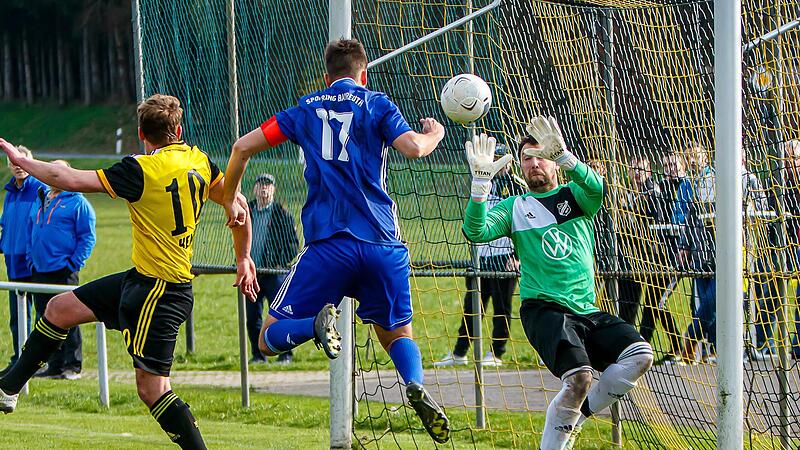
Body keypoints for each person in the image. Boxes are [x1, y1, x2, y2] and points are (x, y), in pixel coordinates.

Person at [221, 39, 450, 443]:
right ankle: (414, 383)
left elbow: (241, 147)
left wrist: (230, 200)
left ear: (327, 77)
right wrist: (435, 132)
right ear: (364, 74)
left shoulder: (305, 108)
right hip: (382, 244)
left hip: (328, 246)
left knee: (268, 337)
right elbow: (414, 148)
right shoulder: (377, 103)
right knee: (396, 334)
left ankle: (313, 325)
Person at [0, 94, 258, 450]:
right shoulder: (199, 162)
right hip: (141, 279)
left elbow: (67, 178)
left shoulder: (140, 170)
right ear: (179, 130)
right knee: (60, 309)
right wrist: (243, 257)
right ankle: (9, 386)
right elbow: (238, 203)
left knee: (152, 389)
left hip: (162, 290)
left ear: (141, 134)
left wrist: (22, 161)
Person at [462, 120, 653, 450]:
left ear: (552, 159)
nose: (534, 163)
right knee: (579, 379)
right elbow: (476, 232)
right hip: (544, 309)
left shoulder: (575, 196)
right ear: (520, 166)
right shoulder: (515, 207)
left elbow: (596, 188)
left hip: (586, 310)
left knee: (640, 356)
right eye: (526, 158)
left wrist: (567, 157)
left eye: (540, 155)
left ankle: (578, 417)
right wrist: (480, 187)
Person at [435, 144, 525, 368]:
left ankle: (496, 352)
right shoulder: (482, 181)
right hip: (480, 256)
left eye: (499, 158)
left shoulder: (517, 187)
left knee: (502, 308)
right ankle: (459, 352)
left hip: (504, 257)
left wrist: (517, 255)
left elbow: (523, 221)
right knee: (473, 306)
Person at [28, 160, 96, 380]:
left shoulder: (78, 202)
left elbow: (87, 237)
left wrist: (73, 263)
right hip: (39, 268)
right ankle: (53, 364)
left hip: (63, 270)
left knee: (69, 317)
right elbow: (32, 229)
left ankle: (72, 365)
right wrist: (31, 257)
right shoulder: (41, 198)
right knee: (44, 317)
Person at [617, 154, 684, 364]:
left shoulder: (654, 192)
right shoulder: (625, 195)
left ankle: (653, 346)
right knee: (629, 304)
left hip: (658, 258)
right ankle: (628, 347)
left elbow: (659, 220)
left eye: (641, 169)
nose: (637, 174)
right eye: (633, 169)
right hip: (633, 258)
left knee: (655, 304)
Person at [0, 145, 44, 376]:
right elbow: (6, 223)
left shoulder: (40, 188)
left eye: (22, 161)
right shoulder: (10, 192)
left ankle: (38, 362)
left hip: (33, 260)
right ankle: (18, 359)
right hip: (12, 259)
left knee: (41, 315)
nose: (17, 166)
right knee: (17, 316)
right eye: (13, 162)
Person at [247, 173, 299, 365]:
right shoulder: (248, 210)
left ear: (273, 190)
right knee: (252, 317)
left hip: (275, 274)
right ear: (254, 188)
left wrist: (277, 263)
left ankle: (285, 354)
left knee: (281, 315)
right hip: (252, 274)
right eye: (260, 184)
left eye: (268, 185)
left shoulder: (281, 213)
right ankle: (257, 355)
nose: (264, 188)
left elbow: (293, 244)